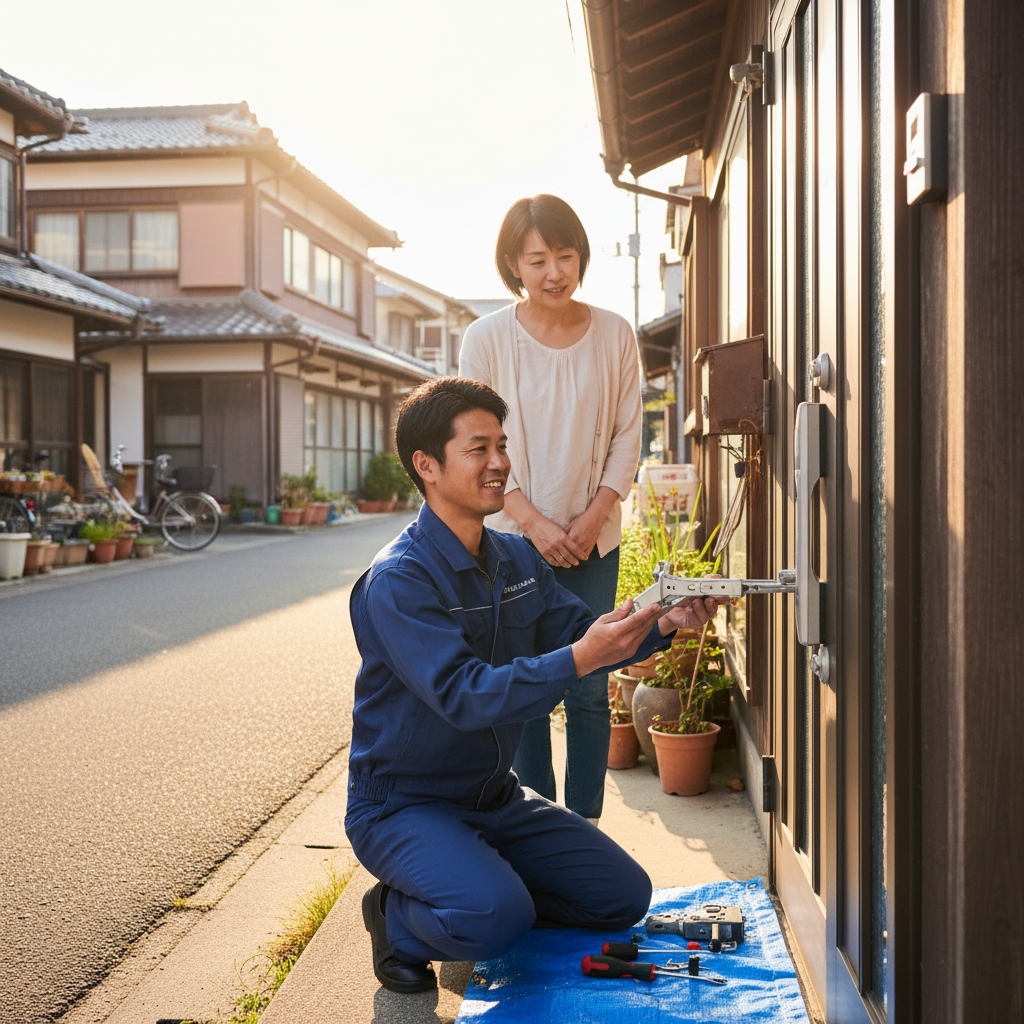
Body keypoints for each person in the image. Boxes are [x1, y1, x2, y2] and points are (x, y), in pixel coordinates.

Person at [346, 376, 719, 993]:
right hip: (404, 807)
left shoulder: (517, 561)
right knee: (496, 917)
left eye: (502, 445)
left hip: (494, 797)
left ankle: (484, 894)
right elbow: (465, 696)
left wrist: (661, 622)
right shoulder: (398, 582)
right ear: (427, 466)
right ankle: (397, 917)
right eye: (478, 449)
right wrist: (578, 657)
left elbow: (585, 632)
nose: (500, 464)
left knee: (622, 898)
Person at [458, 194, 642, 823]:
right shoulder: (485, 339)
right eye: (538, 259)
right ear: (513, 264)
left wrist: (592, 519)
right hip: (512, 540)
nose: (554, 272)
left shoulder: (615, 333)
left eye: (566, 255)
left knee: (591, 687)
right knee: (527, 691)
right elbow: (474, 441)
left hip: (594, 541)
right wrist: (533, 525)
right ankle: (537, 831)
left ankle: (585, 831)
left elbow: (627, 435)